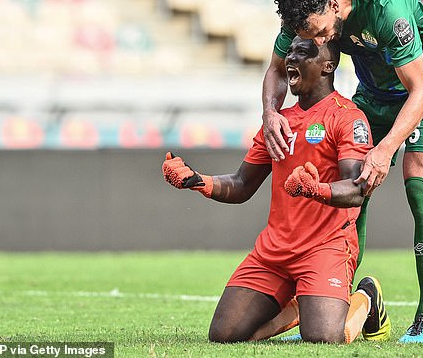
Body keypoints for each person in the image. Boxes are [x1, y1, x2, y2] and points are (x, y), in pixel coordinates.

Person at [261, 0, 423, 344]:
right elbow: (274, 69)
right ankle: (334, 306)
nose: (320, 42)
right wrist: (270, 112)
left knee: (418, 187)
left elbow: (420, 91)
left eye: (321, 33)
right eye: (310, 37)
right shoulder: (304, 6)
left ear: (335, 6)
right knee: (353, 187)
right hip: (374, 93)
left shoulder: (388, 10)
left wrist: (383, 151)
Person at [163, 37, 391, 343]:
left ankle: (365, 297)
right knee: (224, 335)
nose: (291, 58)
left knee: (324, 338)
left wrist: (316, 189)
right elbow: (243, 184)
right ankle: (300, 308)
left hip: (325, 246)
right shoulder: (277, 123)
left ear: (328, 66)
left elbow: (357, 189)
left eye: (303, 52)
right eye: (290, 51)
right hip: (274, 251)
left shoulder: (347, 117)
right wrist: (196, 180)